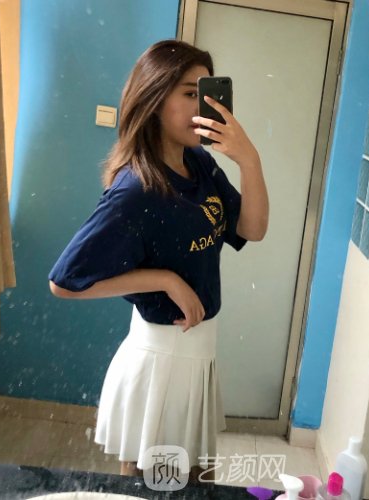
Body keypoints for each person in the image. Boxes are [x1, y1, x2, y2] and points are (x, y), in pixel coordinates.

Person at [48, 39, 268, 483]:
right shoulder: (136, 190)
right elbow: (65, 281)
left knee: (193, 484)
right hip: (162, 368)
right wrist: (165, 280)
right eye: (189, 93)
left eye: (205, 92)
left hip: (198, 358)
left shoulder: (199, 164)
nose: (203, 106)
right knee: (160, 488)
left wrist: (249, 160)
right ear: (154, 97)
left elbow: (251, 229)